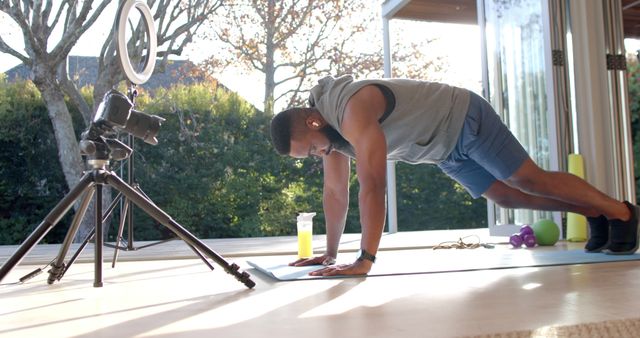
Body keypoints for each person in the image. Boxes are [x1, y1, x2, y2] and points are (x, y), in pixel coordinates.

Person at [269, 74, 640, 277]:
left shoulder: (351, 109)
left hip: (462, 118)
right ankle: (593, 213)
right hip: (443, 150)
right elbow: (335, 193)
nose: (319, 154)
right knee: (507, 196)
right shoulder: (331, 135)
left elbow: (374, 186)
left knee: (527, 179)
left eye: (312, 148)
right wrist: (331, 254)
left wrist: (365, 258)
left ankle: (622, 213)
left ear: (313, 122)